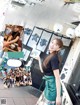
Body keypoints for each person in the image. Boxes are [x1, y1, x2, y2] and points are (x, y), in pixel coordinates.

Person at [36, 38, 63, 105]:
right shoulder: (50, 55)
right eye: (52, 42)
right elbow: (43, 71)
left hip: (53, 88)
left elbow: (57, 78)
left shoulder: (54, 58)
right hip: (48, 86)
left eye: (56, 44)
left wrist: (58, 97)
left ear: (58, 49)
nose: (52, 45)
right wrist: (39, 60)